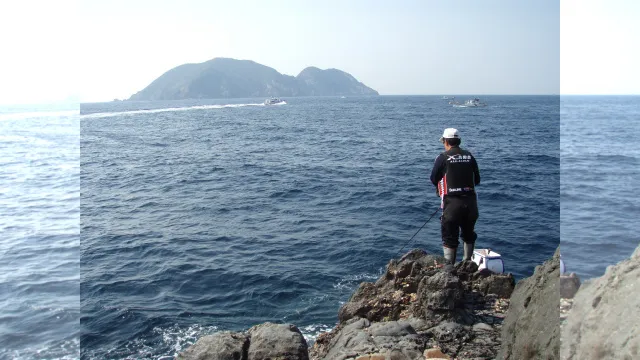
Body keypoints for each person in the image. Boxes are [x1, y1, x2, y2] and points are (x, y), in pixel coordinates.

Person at [430, 128, 480, 265]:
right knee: (469, 235)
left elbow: (434, 178)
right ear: (459, 141)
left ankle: (449, 270)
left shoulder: (443, 158)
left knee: (449, 238)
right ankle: (467, 264)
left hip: (452, 205)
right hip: (471, 204)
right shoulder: (470, 156)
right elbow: (477, 180)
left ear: (446, 142)